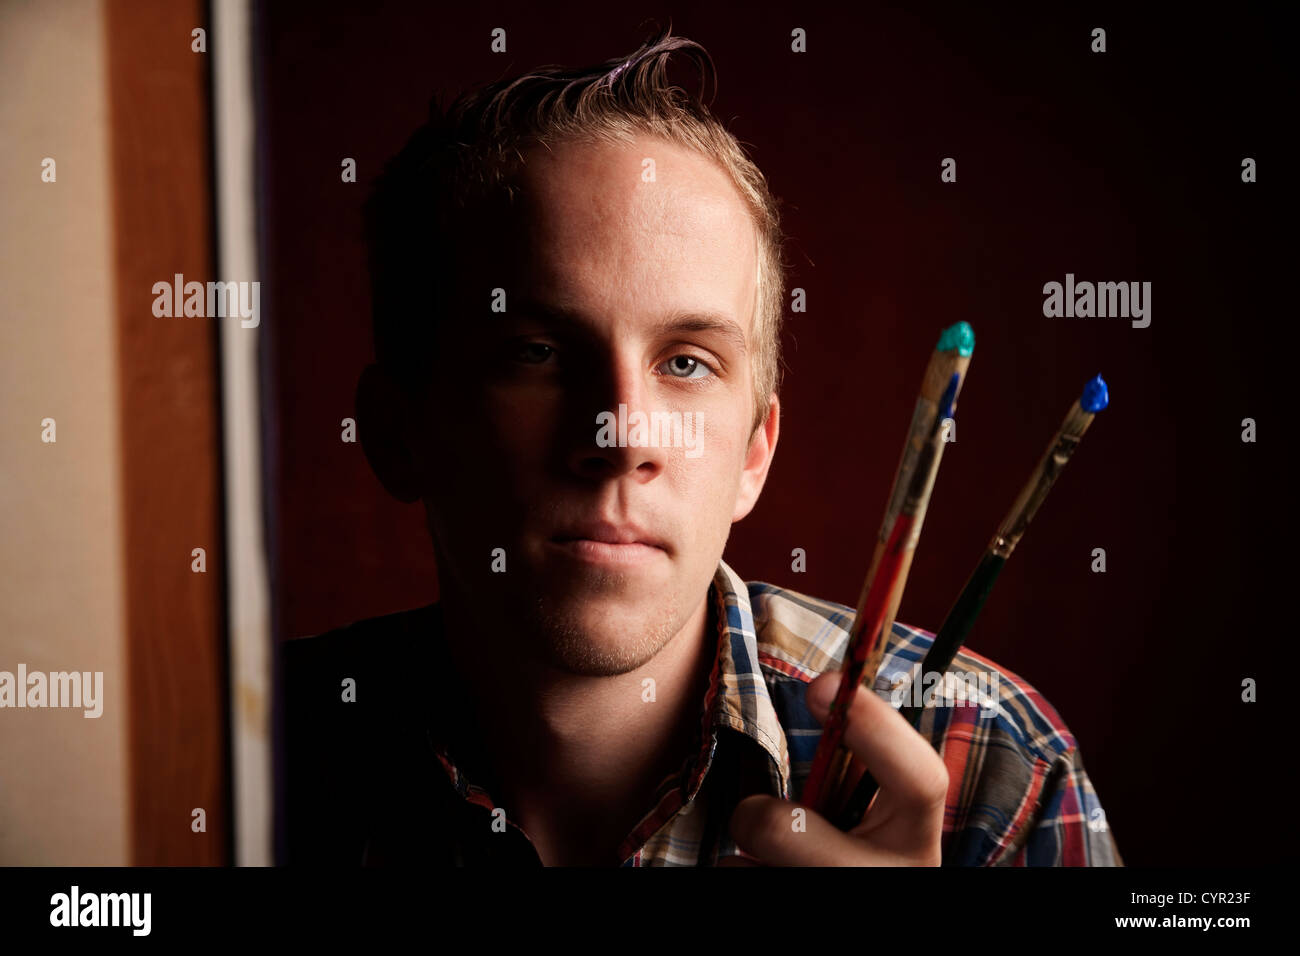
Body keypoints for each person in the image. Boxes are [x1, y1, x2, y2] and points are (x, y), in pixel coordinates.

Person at [280, 28, 1122, 867]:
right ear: (397, 431)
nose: (623, 437)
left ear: (756, 451)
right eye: (535, 353)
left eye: (686, 362)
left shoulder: (994, 768)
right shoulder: (231, 760)